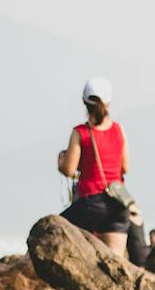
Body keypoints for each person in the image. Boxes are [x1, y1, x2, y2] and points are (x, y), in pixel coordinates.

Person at [56, 77, 132, 258]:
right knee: (116, 261)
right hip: (118, 203)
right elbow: (125, 167)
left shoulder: (80, 132)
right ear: (109, 102)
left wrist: (61, 162)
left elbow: (69, 169)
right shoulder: (118, 130)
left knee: (55, 230)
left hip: (91, 202)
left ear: (84, 102)